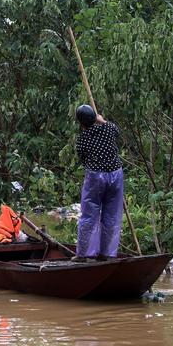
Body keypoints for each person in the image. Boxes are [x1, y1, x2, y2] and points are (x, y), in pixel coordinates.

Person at [73, 104, 124, 262]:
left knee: (89, 216)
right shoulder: (108, 129)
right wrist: (102, 121)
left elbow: (83, 160)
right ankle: (106, 254)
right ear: (95, 118)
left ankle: (82, 254)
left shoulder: (83, 140)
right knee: (111, 216)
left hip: (96, 177)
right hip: (115, 175)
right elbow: (116, 130)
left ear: (81, 124)